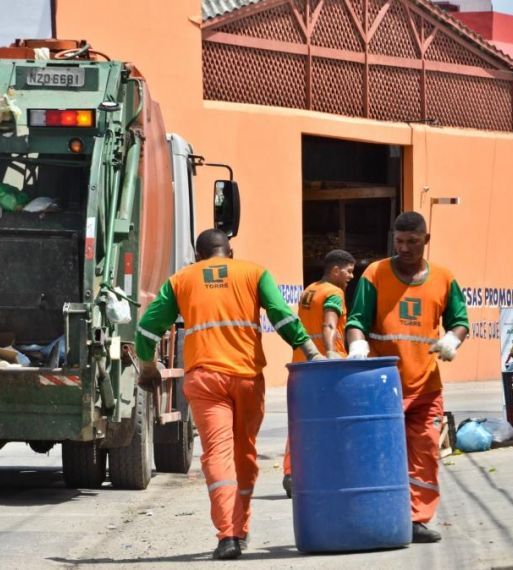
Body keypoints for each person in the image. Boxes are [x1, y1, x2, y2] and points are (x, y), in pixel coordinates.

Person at [135, 228, 325, 560]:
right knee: (245, 452)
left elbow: (149, 325)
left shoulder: (182, 279)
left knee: (217, 455)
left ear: (198, 256)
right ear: (230, 251)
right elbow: (281, 316)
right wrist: (311, 352)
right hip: (247, 377)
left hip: (206, 380)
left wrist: (148, 365)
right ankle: (242, 526)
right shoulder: (254, 272)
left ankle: (227, 536)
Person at [345, 211, 469, 544]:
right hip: (383, 386)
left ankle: (417, 519)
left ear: (425, 241)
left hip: (426, 384)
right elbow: (357, 320)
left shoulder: (443, 278)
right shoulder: (376, 274)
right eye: (399, 242)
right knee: (379, 454)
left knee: (426, 451)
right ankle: (378, 514)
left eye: (413, 242)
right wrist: (357, 347)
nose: (405, 248)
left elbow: (460, 320)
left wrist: (453, 339)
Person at [282, 249, 356, 497]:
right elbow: (329, 324)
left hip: (301, 363)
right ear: (335, 270)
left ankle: (292, 473)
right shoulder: (334, 293)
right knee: (334, 421)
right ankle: (330, 471)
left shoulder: (310, 289)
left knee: (302, 421)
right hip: (326, 365)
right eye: (348, 270)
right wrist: (330, 352)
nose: (351, 276)